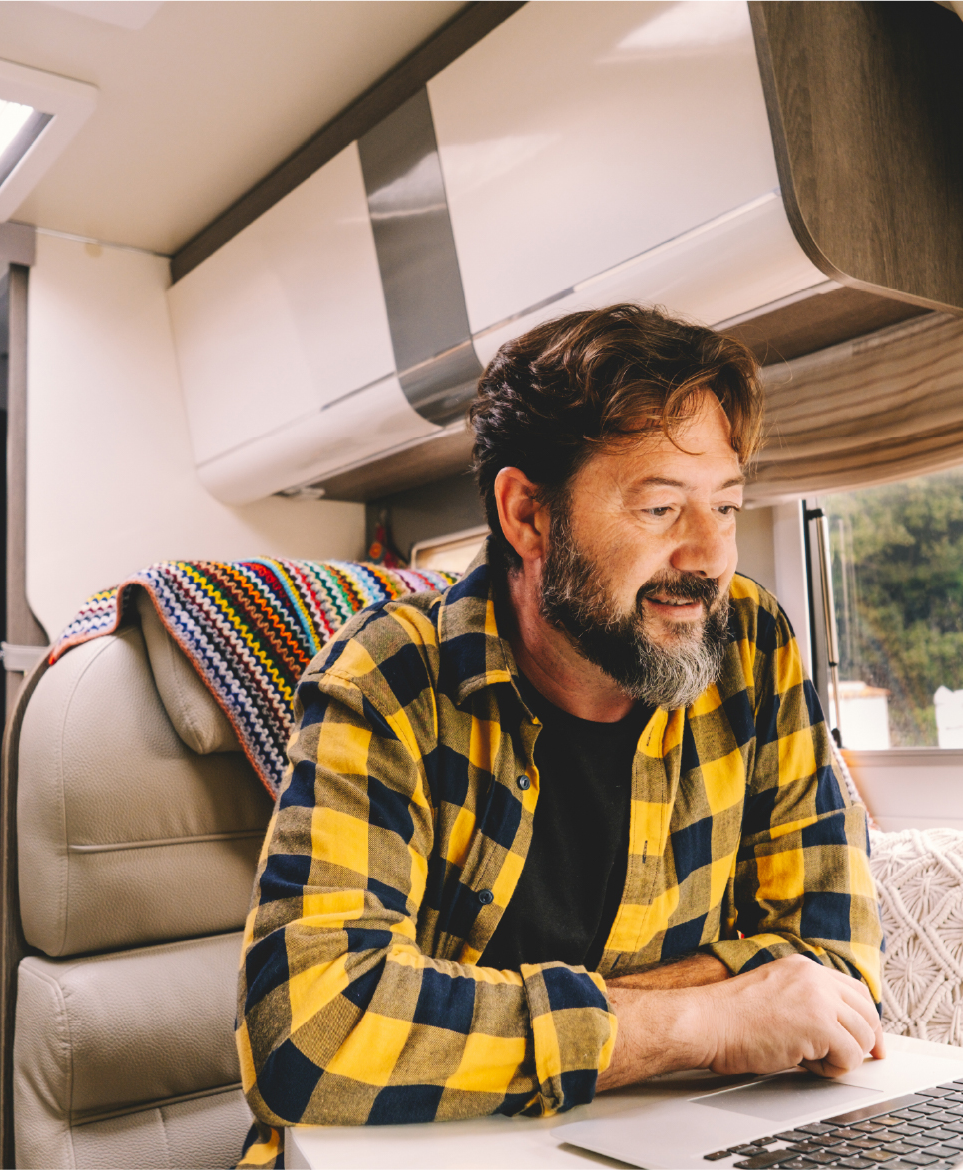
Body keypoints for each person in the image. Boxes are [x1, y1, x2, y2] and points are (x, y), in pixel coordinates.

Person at [235, 305, 883, 1167]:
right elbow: (310, 1033)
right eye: (660, 508)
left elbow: (836, 972)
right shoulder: (387, 680)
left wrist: (490, 1022)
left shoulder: (751, 645)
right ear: (527, 516)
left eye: (725, 507)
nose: (710, 556)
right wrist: (699, 1021)